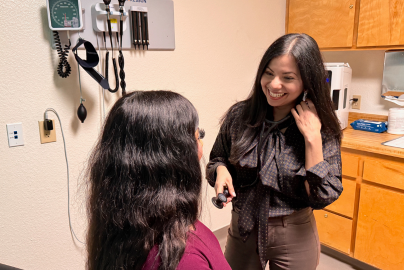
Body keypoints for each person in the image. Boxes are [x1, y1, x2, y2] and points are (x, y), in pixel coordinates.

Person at [206, 33, 343, 270]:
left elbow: (321, 196)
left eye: (287, 77)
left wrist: (312, 139)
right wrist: (220, 171)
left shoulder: (321, 126)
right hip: (244, 226)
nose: (274, 84)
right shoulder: (240, 116)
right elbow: (218, 158)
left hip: (294, 233)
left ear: (307, 82)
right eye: (268, 73)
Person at [86, 91, 231, 270]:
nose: (201, 147)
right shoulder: (184, 260)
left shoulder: (125, 233)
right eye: (197, 137)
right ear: (172, 158)